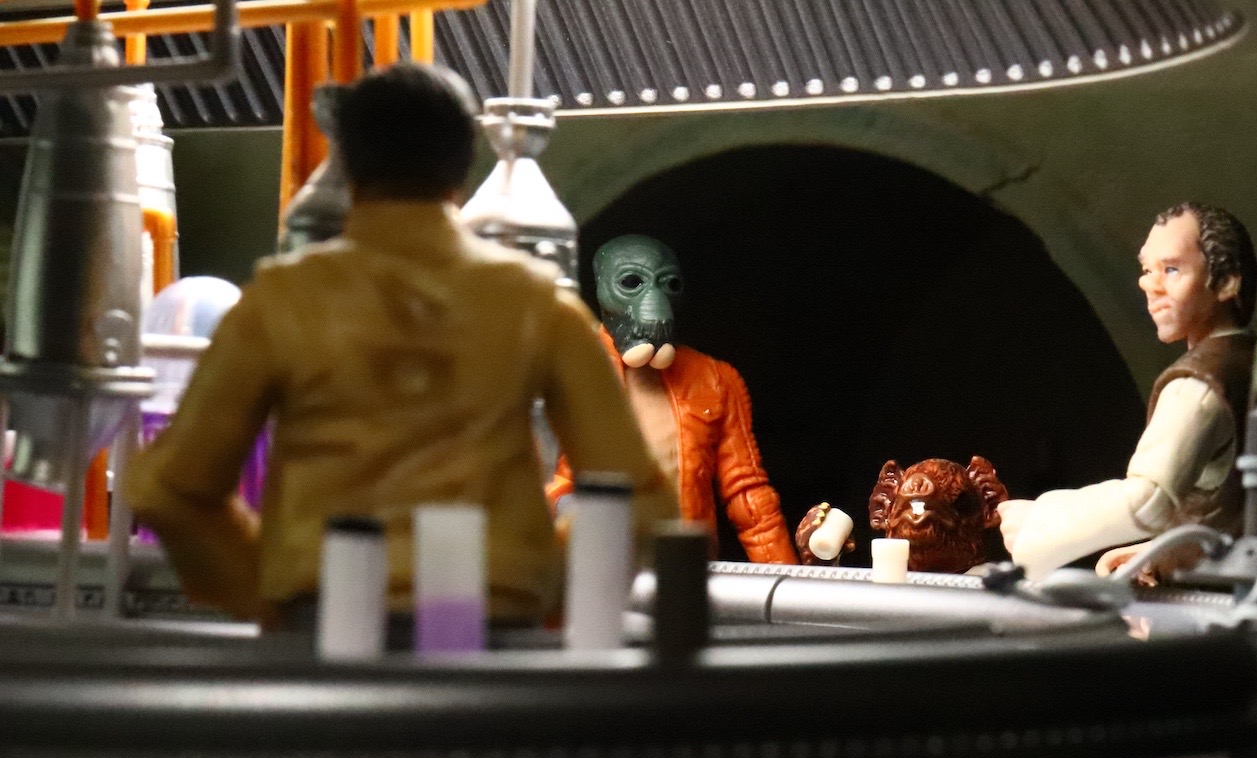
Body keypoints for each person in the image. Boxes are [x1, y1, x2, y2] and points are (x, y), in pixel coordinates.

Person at [125, 63, 675, 628]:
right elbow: (639, 497)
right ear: (464, 162)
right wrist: (546, 587)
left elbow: (170, 490)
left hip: (324, 616)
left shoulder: (280, 300)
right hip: (485, 619)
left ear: (348, 161)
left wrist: (266, 593)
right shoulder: (536, 303)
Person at [998, 202, 1257, 579]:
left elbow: (1147, 501)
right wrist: (1158, 553)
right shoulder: (1255, 361)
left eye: (1171, 269)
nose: (1149, 285)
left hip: (1221, 599)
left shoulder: (1197, 385)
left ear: (1226, 283)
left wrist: (1038, 520)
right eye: (1147, 270)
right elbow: (1229, 507)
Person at [546, 235, 797, 565]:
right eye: (631, 282)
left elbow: (748, 495)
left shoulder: (715, 379)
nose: (655, 301)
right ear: (601, 287)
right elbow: (545, 483)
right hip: (597, 568)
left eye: (669, 284)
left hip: (684, 567)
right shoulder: (568, 368)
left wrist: (787, 580)